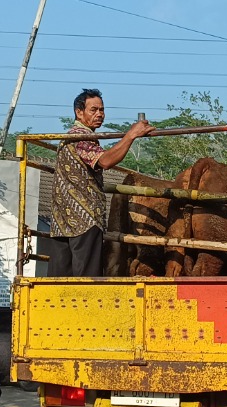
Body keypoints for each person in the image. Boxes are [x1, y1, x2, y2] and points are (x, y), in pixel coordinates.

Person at [44, 88, 152, 277]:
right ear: (79, 112)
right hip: (84, 219)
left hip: (61, 222)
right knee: (87, 277)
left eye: (101, 110)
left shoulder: (70, 137)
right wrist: (131, 135)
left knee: (59, 278)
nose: (99, 114)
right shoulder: (81, 137)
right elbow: (105, 161)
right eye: (93, 110)